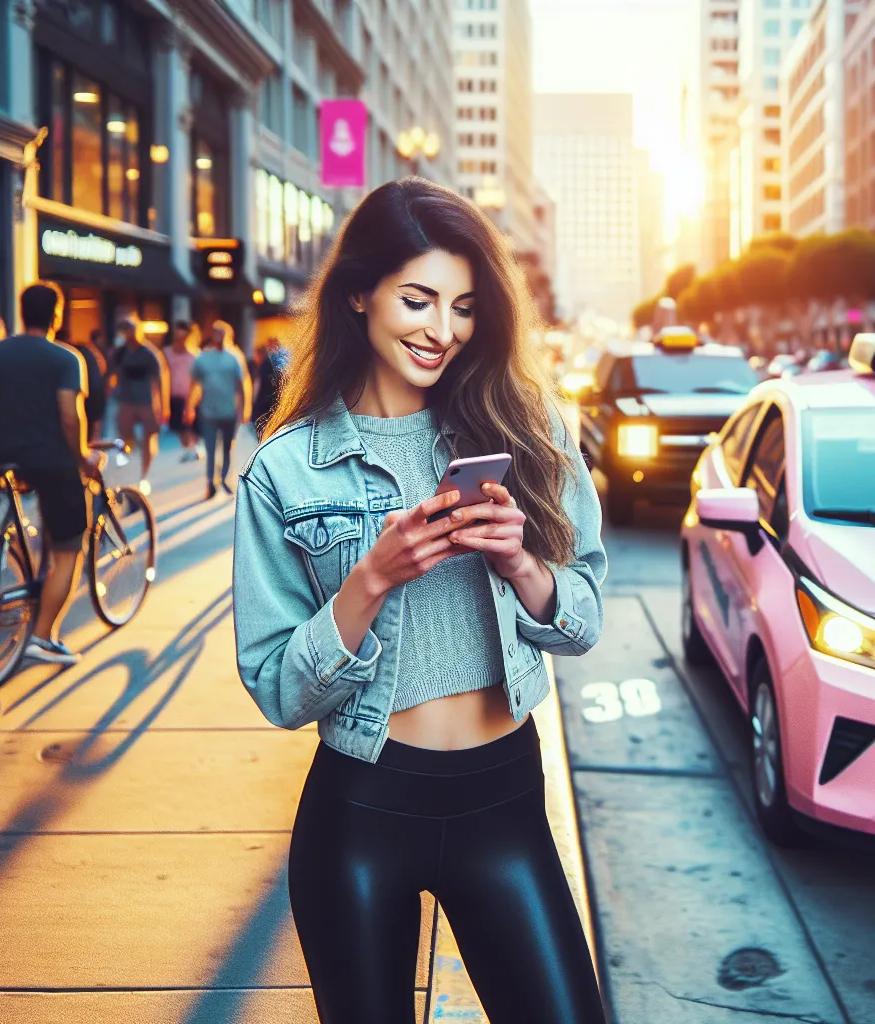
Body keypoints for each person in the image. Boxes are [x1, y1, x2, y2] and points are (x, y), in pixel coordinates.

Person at [233, 178, 608, 1023]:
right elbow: (277, 689)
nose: (442, 330)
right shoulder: (286, 469)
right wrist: (371, 579)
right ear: (359, 292)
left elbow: (583, 618)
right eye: (418, 299)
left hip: (503, 796)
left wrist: (520, 564)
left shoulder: (527, 425)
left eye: (465, 306)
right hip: (362, 805)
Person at [0, 283, 101, 666]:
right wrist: (82, 457)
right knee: (69, 550)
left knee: (21, 526)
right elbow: (68, 414)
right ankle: (43, 637)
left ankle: (3, 581)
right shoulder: (65, 358)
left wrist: (9, 420)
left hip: (6, 458)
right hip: (55, 462)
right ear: (56, 314)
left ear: (20, 311)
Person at [109, 316, 167, 495]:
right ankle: (131, 471)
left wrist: (163, 407)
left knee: (149, 439)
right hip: (126, 401)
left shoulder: (148, 353)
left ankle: (143, 475)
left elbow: (160, 379)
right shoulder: (120, 353)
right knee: (126, 439)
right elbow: (110, 374)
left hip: (145, 402)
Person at [187, 323, 247, 499]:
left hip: (229, 411)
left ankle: (224, 478)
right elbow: (194, 384)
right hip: (208, 412)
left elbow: (241, 385)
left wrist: (244, 409)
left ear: (229, 335)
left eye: (222, 332)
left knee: (227, 448)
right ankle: (210, 483)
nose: (219, 335)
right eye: (216, 332)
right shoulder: (203, 358)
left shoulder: (234, 358)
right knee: (211, 449)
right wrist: (189, 407)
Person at [163, 320, 199, 463]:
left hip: (188, 397)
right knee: (178, 428)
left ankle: (191, 448)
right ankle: (190, 448)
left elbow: (197, 382)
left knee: (188, 427)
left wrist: (192, 403)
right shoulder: (166, 353)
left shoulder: (194, 356)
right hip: (171, 397)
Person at [73, 328, 111, 443]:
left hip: (92, 396)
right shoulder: (92, 352)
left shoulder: (89, 351)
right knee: (93, 431)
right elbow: (103, 371)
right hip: (95, 395)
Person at [251, 335, 288, 438]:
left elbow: (258, 389)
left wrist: (253, 408)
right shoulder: (278, 363)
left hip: (264, 405)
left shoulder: (266, 366)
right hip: (271, 405)